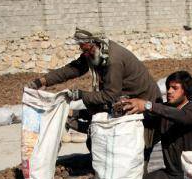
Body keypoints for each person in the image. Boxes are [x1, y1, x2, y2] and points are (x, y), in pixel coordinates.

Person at [27, 28, 161, 157]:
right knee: (99, 138)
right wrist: (42, 81)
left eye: (87, 50)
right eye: (82, 50)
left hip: (145, 108)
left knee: (131, 150)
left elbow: (110, 95)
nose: (85, 54)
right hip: (123, 101)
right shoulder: (95, 52)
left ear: (96, 43)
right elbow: (72, 69)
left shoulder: (113, 61)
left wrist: (81, 95)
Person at [122, 71, 192, 179]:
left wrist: (149, 105)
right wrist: (127, 107)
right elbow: (145, 116)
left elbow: (181, 117)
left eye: (175, 88)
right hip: (171, 175)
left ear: (186, 91)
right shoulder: (164, 112)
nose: (169, 91)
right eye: (168, 87)